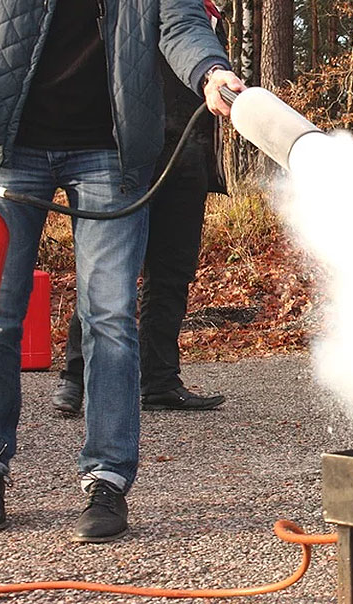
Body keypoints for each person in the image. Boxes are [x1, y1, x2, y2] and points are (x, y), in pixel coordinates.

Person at [0, 0, 244, 543]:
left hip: (111, 152)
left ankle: (106, 481)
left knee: (109, 316)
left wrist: (211, 70)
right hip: (9, 149)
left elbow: (181, 22)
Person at [51, 2, 229, 416]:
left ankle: (160, 380)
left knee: (171, 274)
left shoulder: (209, 16)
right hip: (131, 156)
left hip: (189, 159)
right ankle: (75, 380)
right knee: (107, 270)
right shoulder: (145, 9)